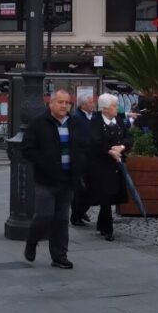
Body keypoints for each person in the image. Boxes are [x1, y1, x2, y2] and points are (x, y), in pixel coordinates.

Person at [20, 87, 84, 269]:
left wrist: (80, 166)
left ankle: (59, 256)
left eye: (67, 103)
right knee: (45, 216)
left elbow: (83, 146)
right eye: (60, 102)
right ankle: (32, 240)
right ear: (51, 103)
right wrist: (44, 163)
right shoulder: (39, 123)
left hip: (67, 179)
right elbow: (27, 148)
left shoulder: (74, 123)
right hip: (46, 179)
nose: (64, 106)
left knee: (62, 219)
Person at [85, 93, 134, 241]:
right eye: (114, 105)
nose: (116, 108)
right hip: (100, 165)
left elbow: (128, 137)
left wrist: (121, 147)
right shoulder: (95, 122)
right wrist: (109, 150)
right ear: (105, 109)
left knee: (112, 194)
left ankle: (101, 224)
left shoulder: (118, 120)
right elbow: (95, 141)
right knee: (105, 195)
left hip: (116, 164)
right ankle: (108, 229)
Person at [69, 92, 96, 226]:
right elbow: (76, 139)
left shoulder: (91, 116)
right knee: (80, 189)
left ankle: (81, 210)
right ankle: (76, 216)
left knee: (91, 188)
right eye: (91, 102)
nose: (93, 104)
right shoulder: (76, 118)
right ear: (83, 105)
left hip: (91, 158)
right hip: (80, 159)